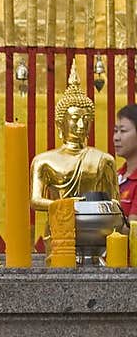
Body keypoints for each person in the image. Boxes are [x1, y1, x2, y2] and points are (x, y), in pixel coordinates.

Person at [29, 65, 119, 220]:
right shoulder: (44, 161)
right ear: (60, 123)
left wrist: (95, 208)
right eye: (75, 119)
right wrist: (68, 205)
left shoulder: (104, 160)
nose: (81, 125)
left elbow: (114, 202)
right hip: (59, 230)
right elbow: (35, 201)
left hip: (95, 227)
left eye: (86, 120)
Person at [112, 103, 137, 219]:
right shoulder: (116, 176)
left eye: (123, 131)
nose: (116, 138)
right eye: (115, 131)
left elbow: (133, 228)